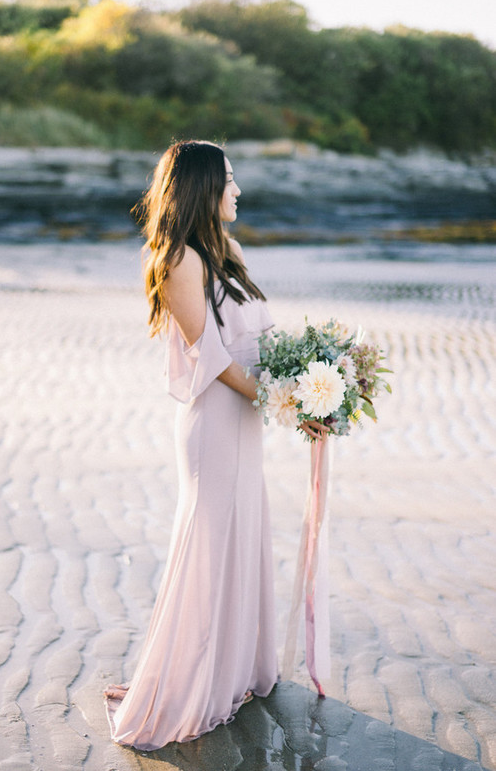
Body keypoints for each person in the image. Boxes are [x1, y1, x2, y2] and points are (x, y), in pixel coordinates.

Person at [104, 140, 325, 751]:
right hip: (216, 423)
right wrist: (273, 400)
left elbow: (266, 334)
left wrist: (311, 387)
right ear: (203, 186)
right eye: (229, 180)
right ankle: (186, 680)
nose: (237, 190)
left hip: (247, 418)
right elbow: (215, 356)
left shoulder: (227, 250)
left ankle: (232, 670)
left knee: (242, 535)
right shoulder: (177, 259)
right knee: (208, 543)